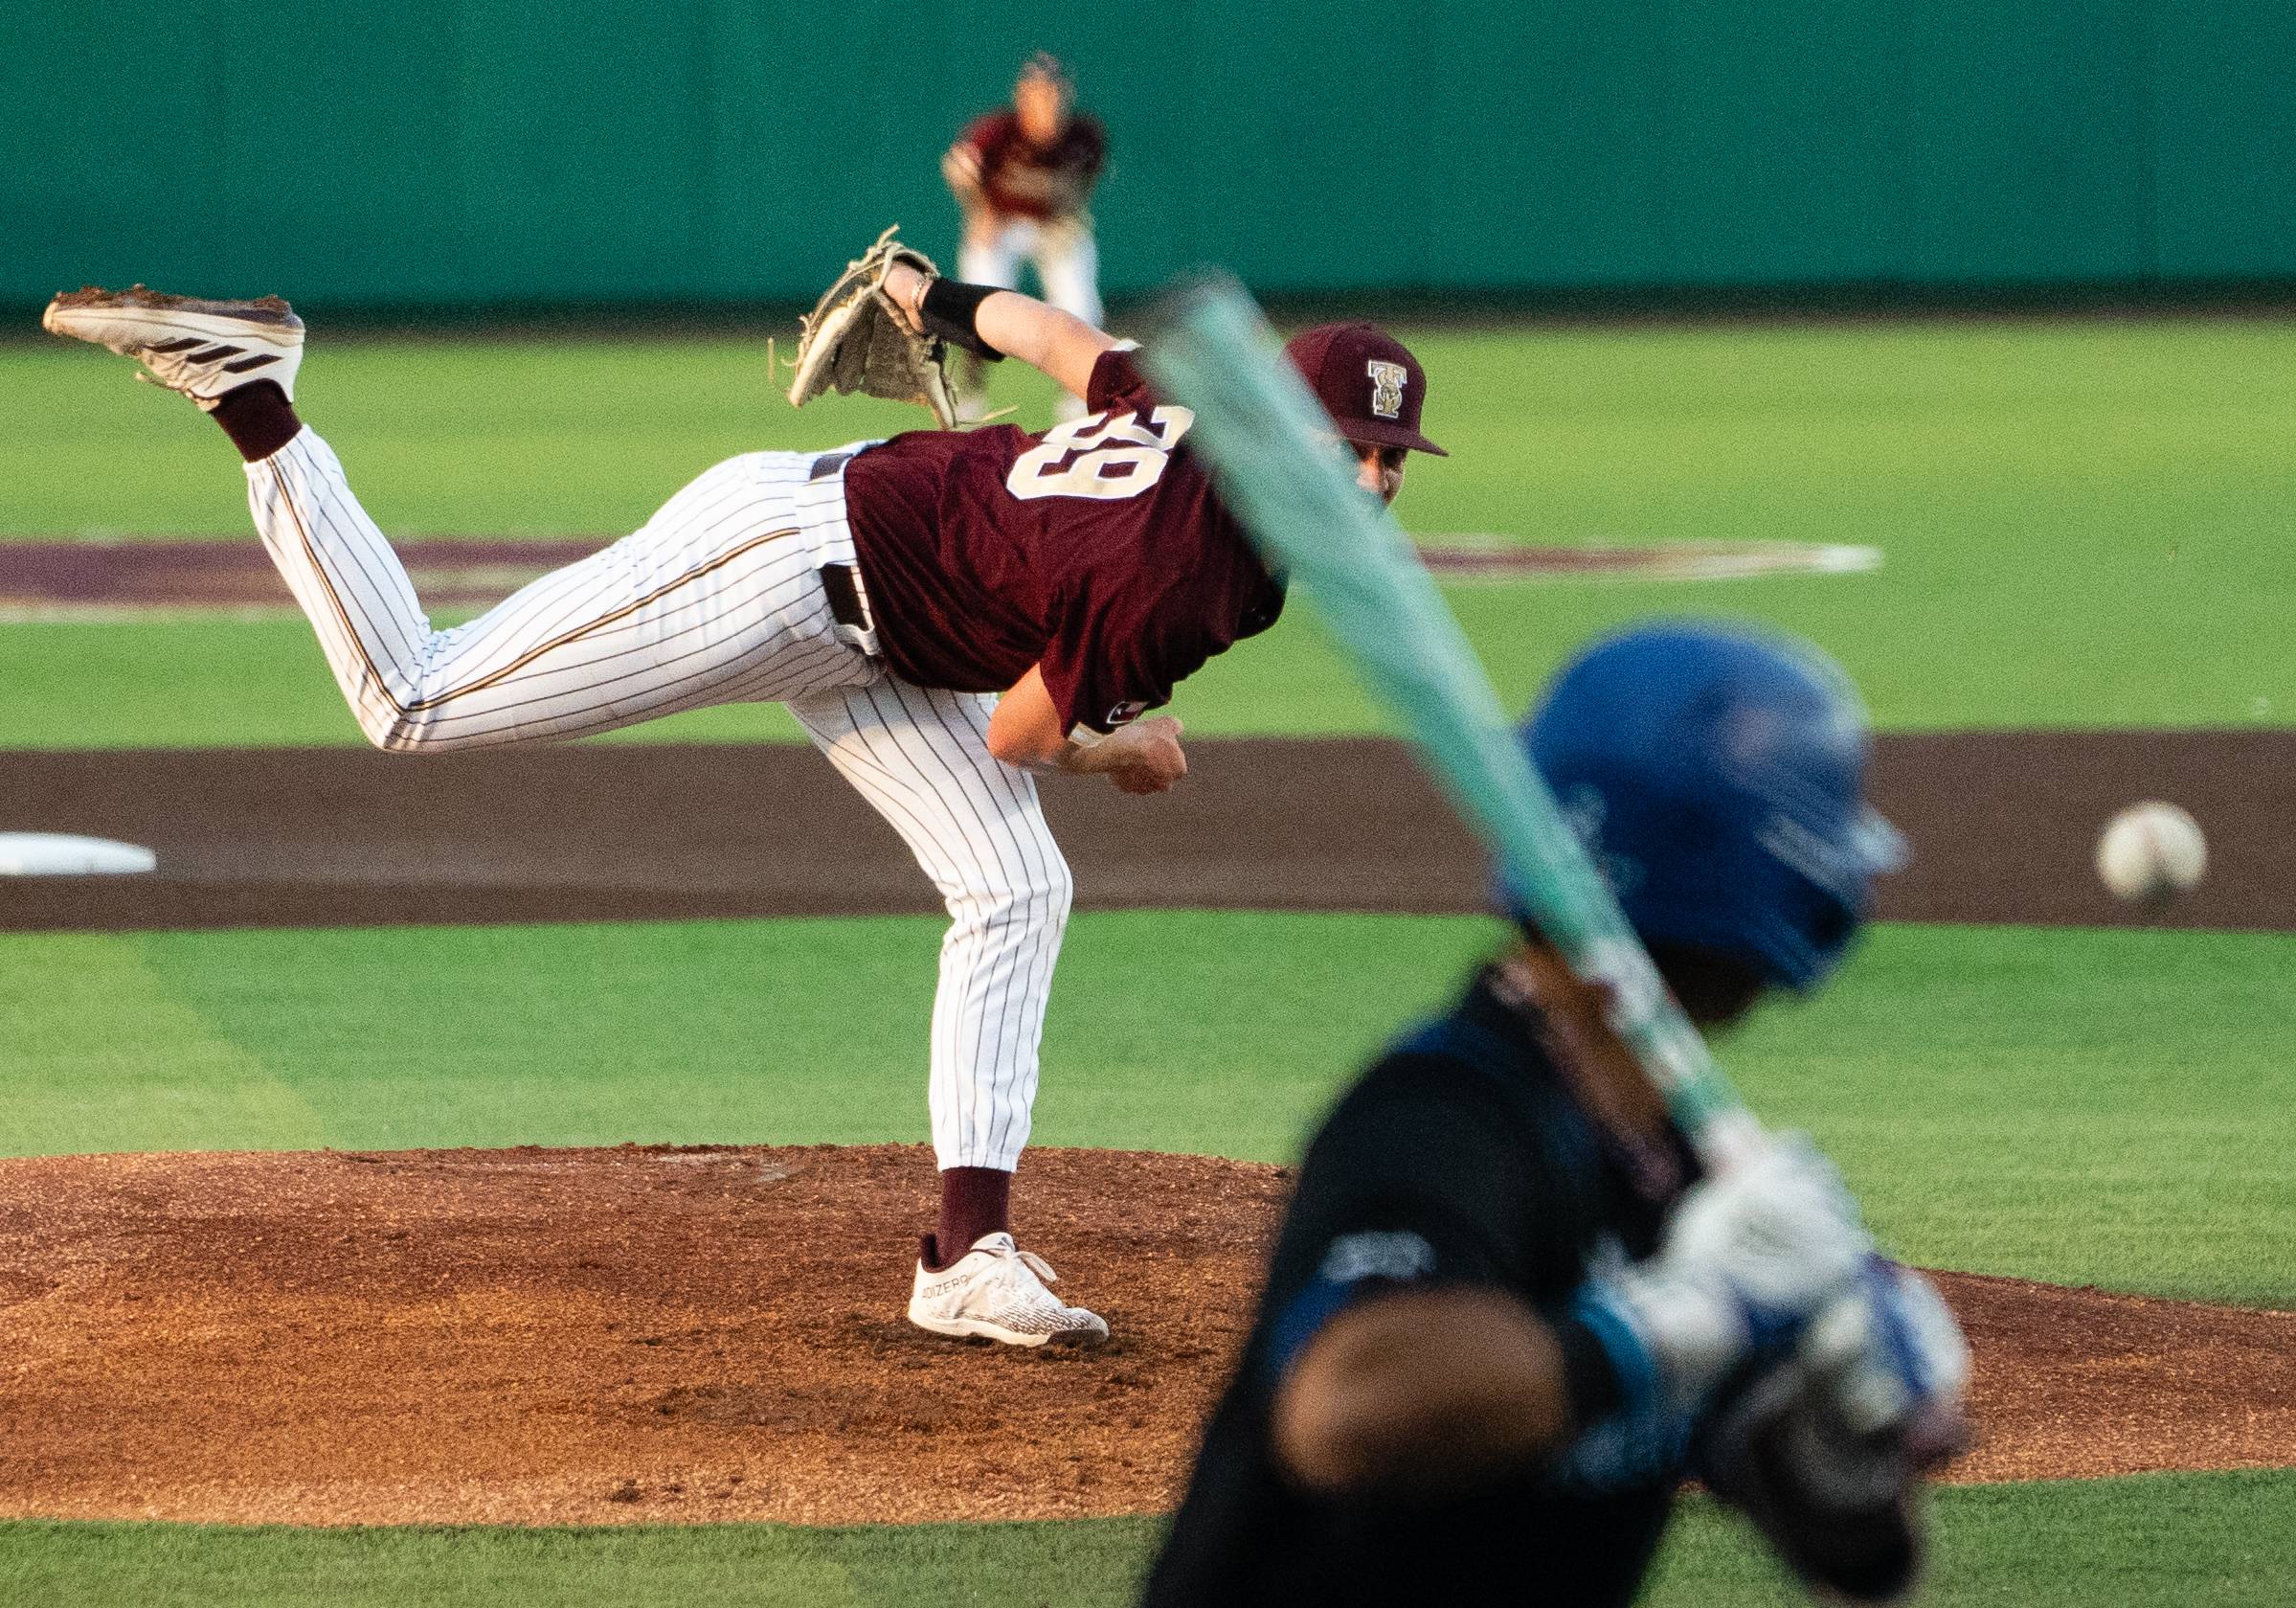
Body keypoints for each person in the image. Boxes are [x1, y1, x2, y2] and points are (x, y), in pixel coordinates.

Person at [41, 274, 1446, 1348]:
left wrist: (934, 298)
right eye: (1349, 448)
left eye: (1388, 458)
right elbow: (1021, 731)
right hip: (775, 565)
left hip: (881, 628)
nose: (1370, 481)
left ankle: (966, 1259)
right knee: (410, 697)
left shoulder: (1194, 411)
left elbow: (1058, 341)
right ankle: (254, 394)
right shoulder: (1191, 575)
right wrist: (1124, 748)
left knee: (1015, 885)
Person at [1143, 623, 1969, 1606]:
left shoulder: (1667, 1154)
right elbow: (1348, 1409)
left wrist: (1837, 1444)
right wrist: (1694, 1313)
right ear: (1728, 854)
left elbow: (1861, 1566)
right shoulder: (1441, 1115)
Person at [942, 53, 1109, 421]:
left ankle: (1080, 400)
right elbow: (957, 167)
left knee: (1082, 309)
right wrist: (980, 213)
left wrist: (1073, 213)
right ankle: (968, 393)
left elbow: (1089, 178)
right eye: (1038, 93)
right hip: (1004, 226)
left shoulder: (1084, 135)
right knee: (980, 302)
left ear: (1066, 95)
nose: (1047, 102)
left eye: (1053, 93)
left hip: (1054, 227)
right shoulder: (997, 131)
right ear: (1022, 96)